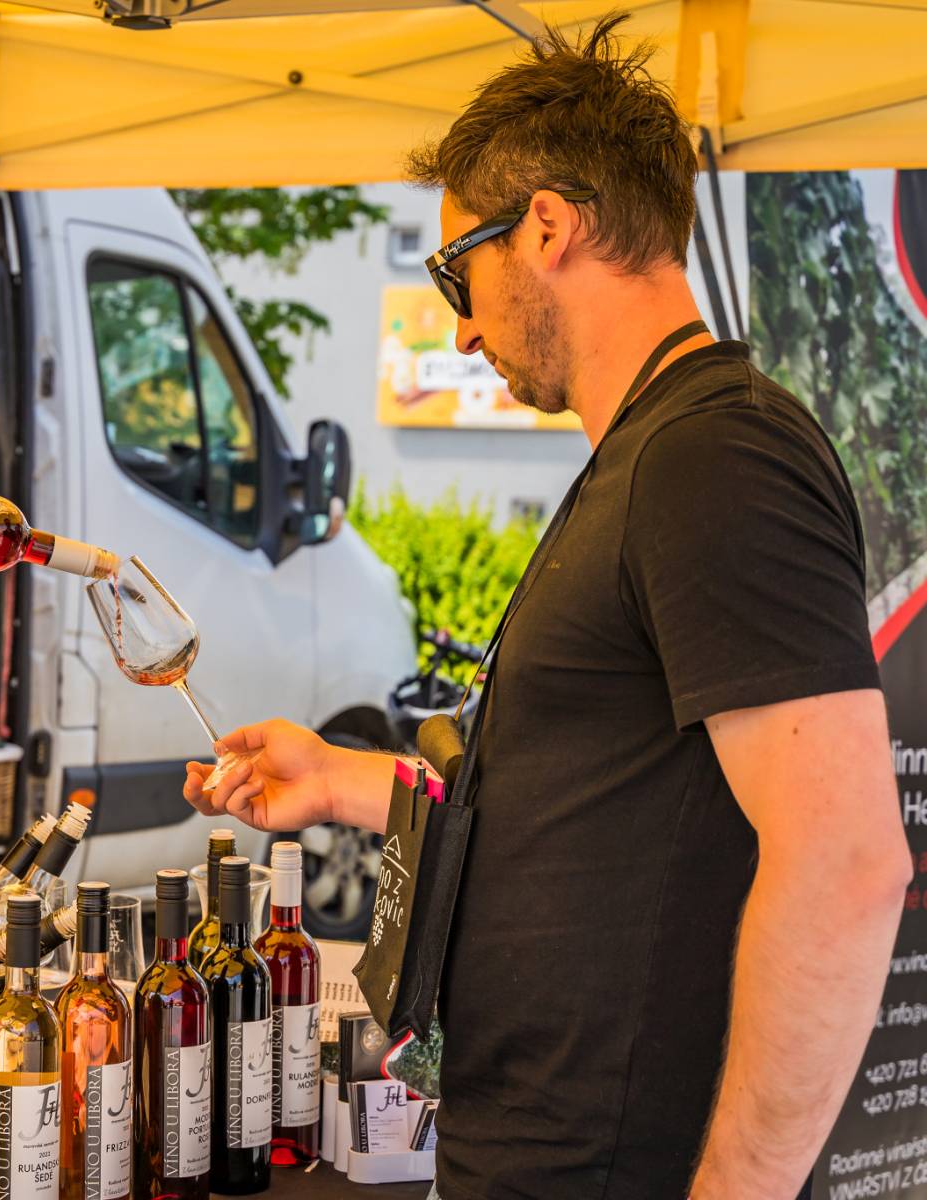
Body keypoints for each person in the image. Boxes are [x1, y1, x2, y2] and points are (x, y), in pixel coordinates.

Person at [186, 16, 908, 1199]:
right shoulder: (651, 455)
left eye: (453, 273)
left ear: (547, 227)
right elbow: (592, 801)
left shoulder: (715, 456)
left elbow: (845, 864)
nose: (461, 325)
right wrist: (348, 781)